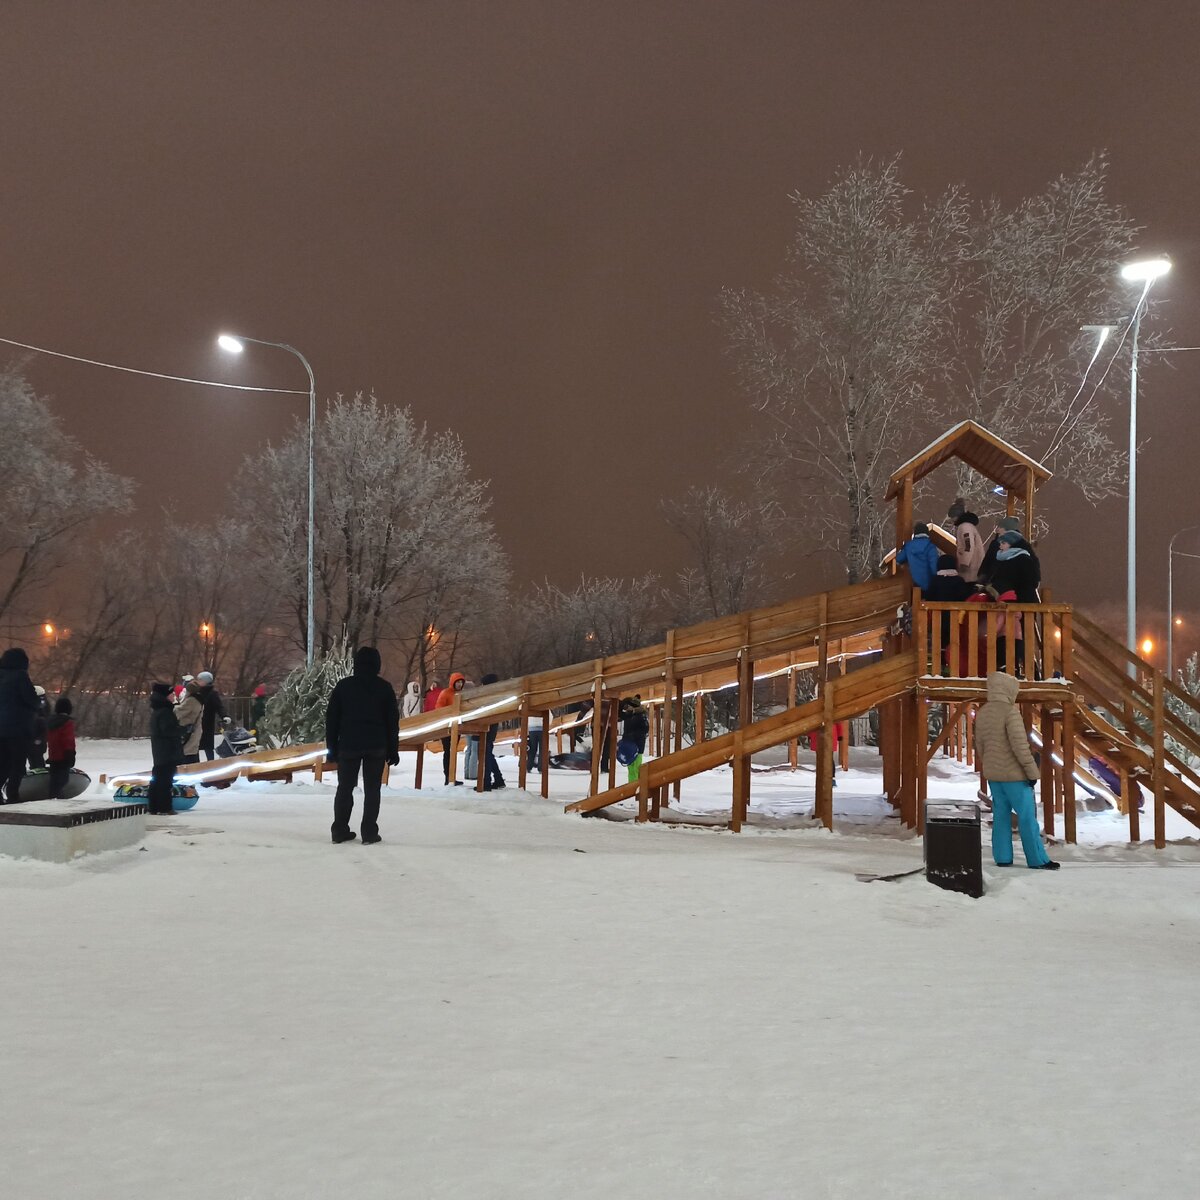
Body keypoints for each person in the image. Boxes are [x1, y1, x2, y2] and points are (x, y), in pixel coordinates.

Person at [973, 671, 1058, 869]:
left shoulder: (983, 712)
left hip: (994, 777)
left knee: (1001, 816)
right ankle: (1037, 859)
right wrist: (1032, 772)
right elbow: (1020, 747)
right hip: (1015, 777)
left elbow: (980, 745)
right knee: (1027, 818)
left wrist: (989, 766)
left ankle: (1002, 857)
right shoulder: (1010, 712)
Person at [325, 645, 400, 845]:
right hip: (376, 745)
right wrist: (393, 749)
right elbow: (392, 722)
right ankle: (369, 832)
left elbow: (332, 719)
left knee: (345, 788)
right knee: (372, 789)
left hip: (348, 745)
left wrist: (331, 748)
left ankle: (339, 830)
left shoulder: (343, 687)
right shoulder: (384, 688)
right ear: (377, 664)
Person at [0, 647, 38, 803]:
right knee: (18, 765)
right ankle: (13, 795)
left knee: (3, 764)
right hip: (18, 729)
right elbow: (32, 699)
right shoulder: (20, 676)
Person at [148, 681, 183, 816]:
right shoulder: (165, 711)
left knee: (158, 778)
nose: (174, 696)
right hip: (167, 751)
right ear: (165, 696)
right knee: (165, 780)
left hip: (160, 751)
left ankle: (154, 806)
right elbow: (167, 730)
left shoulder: (159, 710)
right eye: (171, 694)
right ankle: (164, 807)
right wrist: (183, 730)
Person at [434, 672, 467, 784]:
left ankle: (451, 777)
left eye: (461, 682)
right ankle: (447, 777)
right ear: (453, 682)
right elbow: (439, 708)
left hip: (457, 726)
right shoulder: (446, 693)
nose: (459, 684)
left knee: (453, 752)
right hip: (447, 727)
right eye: (457, 682)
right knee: (448, 751)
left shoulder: (462, 694)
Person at [193, 671, 230, 761]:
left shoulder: (212, 694)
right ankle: (195, 764)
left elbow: (219, 706)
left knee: (208, 747)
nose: (198, 681)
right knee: (194, 746)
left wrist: (224, 716)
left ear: (205, 681)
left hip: (207, 723)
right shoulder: (196, 692)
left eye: (200, 680)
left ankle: (211, 763)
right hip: (196, 723)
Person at [478, 673, 506, 791]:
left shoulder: (488, 697)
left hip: (486, 727)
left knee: (486, 754)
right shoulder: (496, 695)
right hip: (491, 727)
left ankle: (486, 782)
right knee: (488, 754)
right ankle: (498, 779)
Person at [896, 522, 940, 594]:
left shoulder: (908, 546)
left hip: (914, 585)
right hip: (929, 584)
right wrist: (937, 579)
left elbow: (898, 559)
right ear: (926, 533)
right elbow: (934, 566)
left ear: (915, 533)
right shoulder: (930, 546)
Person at [46, 697, 77, 799]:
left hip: (53, 756)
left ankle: (52, 796)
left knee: (54, 780)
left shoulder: (51, 722)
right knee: (63, 780)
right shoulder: (67, 723)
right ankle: (58, 798)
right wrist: (70, 754)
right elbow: (68, 740)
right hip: (64, 756)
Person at [949, 501, 986, 583]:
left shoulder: (965, 527)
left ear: (956, 516)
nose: (951, 520)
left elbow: (968, 546)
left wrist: (964, 563)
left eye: (952, 517)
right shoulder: (968, 526)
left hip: (970, 568)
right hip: (973, 566)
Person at [619, 695, 650, 782]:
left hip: (637, 747)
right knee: (631, 769)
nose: (626, 708)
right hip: (629, 746)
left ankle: (636, 786)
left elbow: (645, 729)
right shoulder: (628, 715)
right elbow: (619, 712)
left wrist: (633, 735)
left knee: (636, 768)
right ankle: (632, 785)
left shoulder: (641, 716)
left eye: (628, 706)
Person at [175, 679, 205, 764]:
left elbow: (178, 712)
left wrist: (171, 706)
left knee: (187, 754)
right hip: (195, 730)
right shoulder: (199, 700)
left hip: (188, 731)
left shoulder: (191, 701)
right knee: (193, 753)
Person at [28, 686, 49, 770]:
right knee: (33, 758)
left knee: (37, 758)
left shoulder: (41, 708)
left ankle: (39, 770)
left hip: (37, 740)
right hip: (33, 739)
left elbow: (44, 728)